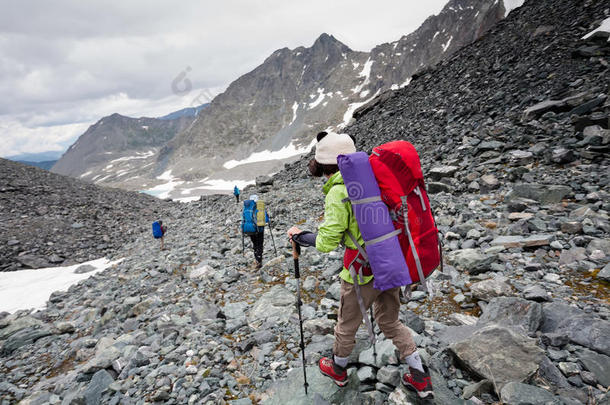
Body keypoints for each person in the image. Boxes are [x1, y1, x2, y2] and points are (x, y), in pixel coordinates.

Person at [287, 131, 434, 398]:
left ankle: (338, 369)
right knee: (389, 321)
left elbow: (327, 241)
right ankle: (419, 375)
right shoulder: (372, 179)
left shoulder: (338, 191)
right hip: (388, 262)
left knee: (346, 324)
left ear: (322, 164)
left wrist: (301, 236)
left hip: (360, 273)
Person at [243, 194, 269, 269]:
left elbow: (243, 218)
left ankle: (256, 258)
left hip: (249, 229)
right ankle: (259, 260)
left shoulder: (246, 207)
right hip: (259, 229)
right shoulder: (260, 207)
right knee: (260, 244)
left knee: (254, 244)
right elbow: (266, 220)